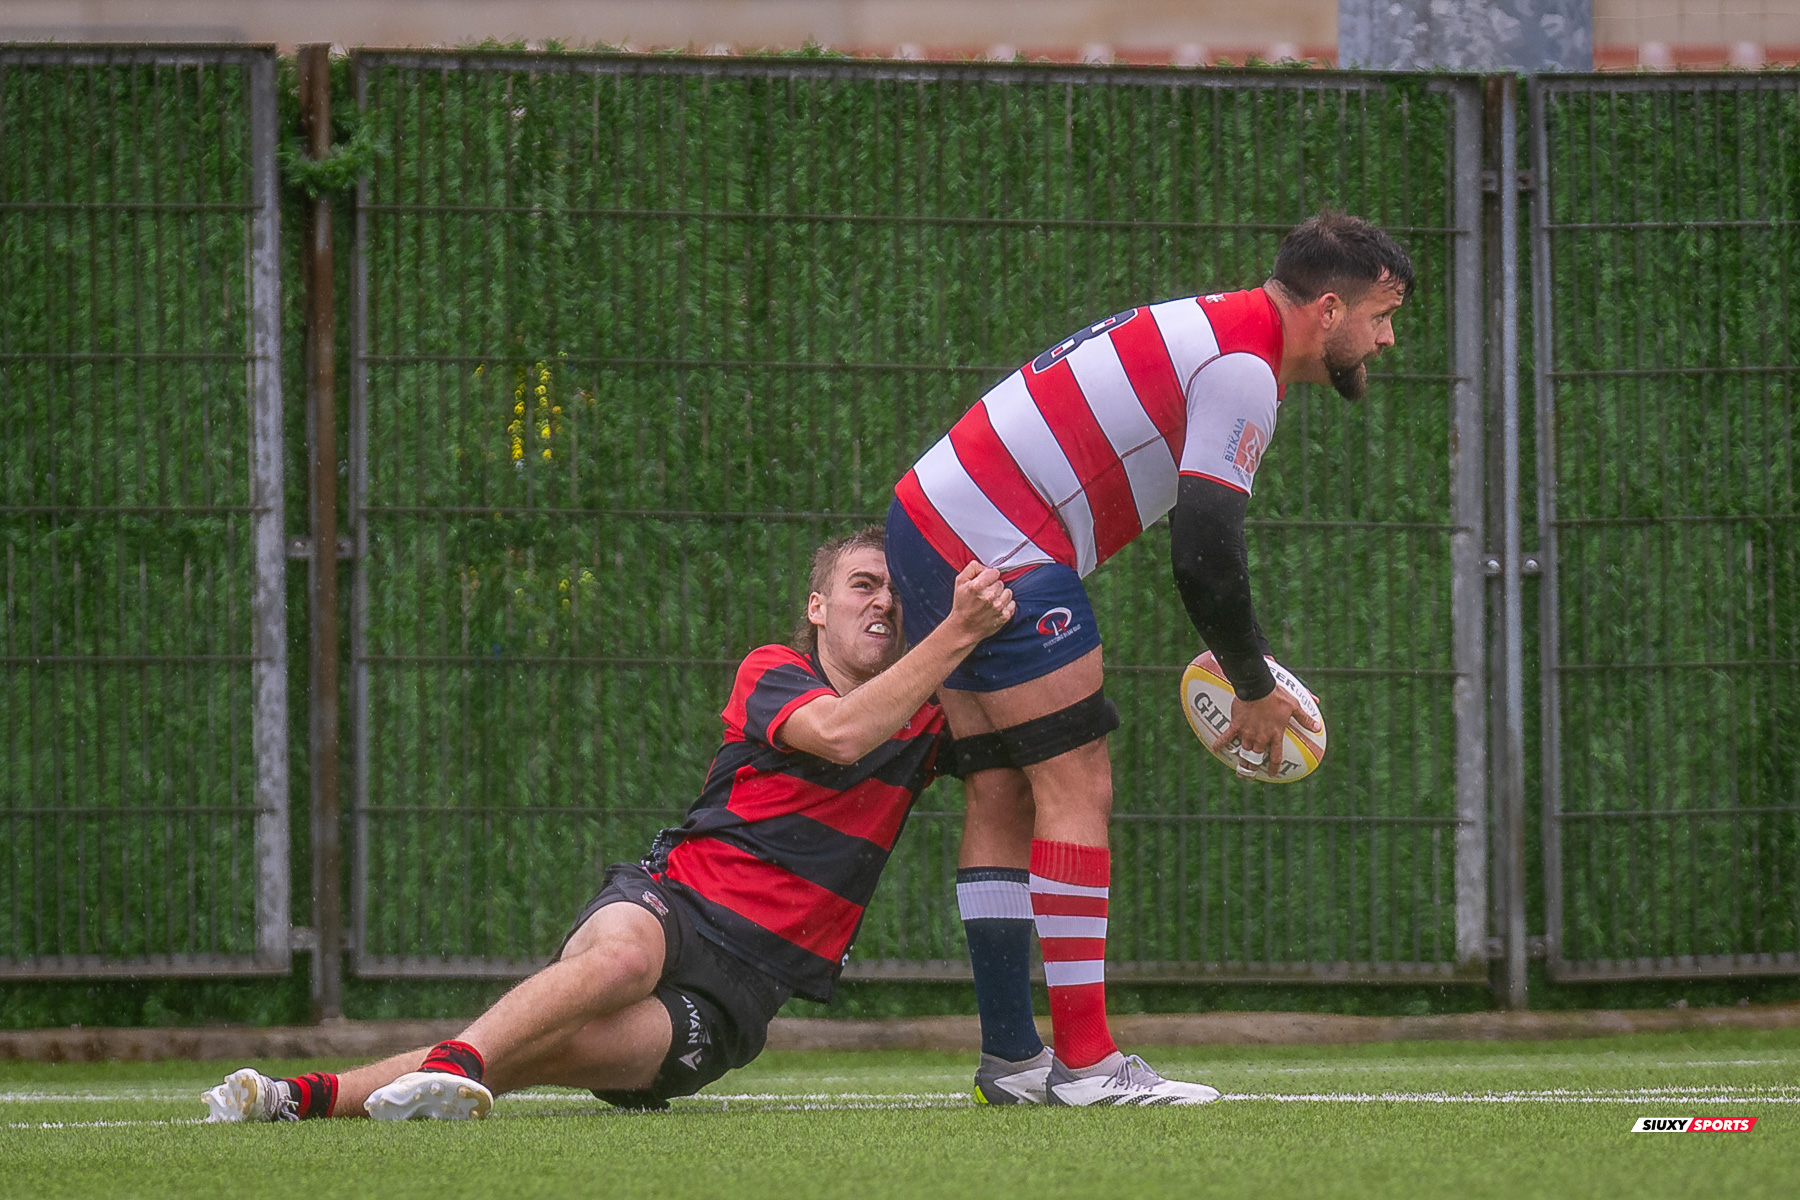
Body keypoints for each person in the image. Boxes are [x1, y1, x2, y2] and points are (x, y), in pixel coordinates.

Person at [202, 526, 1022, 1122]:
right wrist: (955, 629)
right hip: (676, 906)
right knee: (619, 959)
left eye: (894, 590)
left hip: (744, 991)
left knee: (542, 1052)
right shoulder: (774, 670)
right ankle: (393, 1072)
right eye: (862, 584)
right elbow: (843, 734)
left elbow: (1020, 763)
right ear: (817, 606)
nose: (882, 600)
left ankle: (300, 1098)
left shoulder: (928, 715)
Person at [885, 211, 1412, 1106]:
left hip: (927, 516)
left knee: (1002, 789)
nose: (1386, 338)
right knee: (1077, 786)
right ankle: (1087, 1066)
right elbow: (1205, 550)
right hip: (1000, 541)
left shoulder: (1217, 326)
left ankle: (1014, 1061)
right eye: (1382, 315)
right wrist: (1253, 689)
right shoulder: (1245, 367)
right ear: (1329, 310)